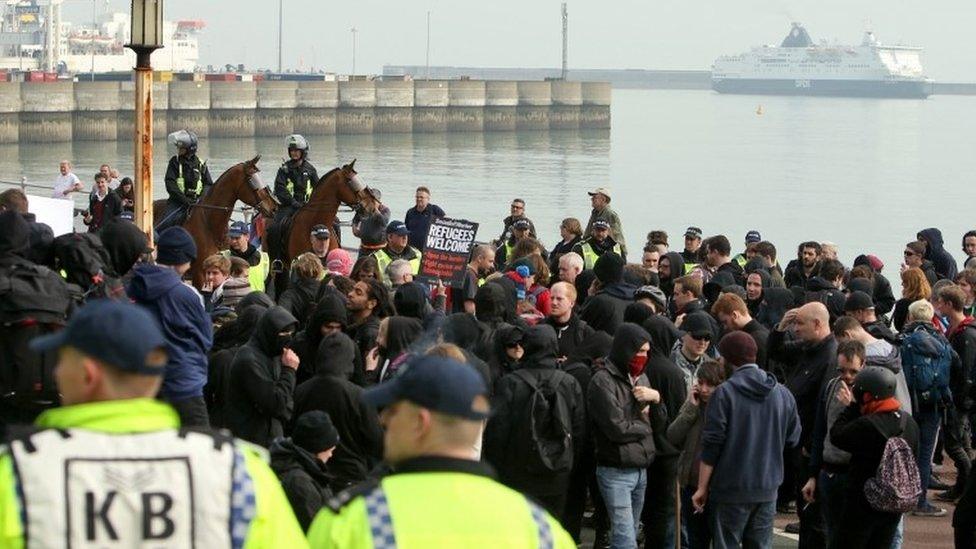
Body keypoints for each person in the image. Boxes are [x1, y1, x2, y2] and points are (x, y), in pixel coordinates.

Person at [1, 300, 306, 547]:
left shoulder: (17, 472)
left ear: (88, 375)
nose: (55, 374)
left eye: (62, 361)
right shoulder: (238, 471)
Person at [306, 355, 575, 548]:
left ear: (420, 423)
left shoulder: (351, 520)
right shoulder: (540, 528)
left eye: (393, 409)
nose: (384, 419)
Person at [693, 331, 801, 549]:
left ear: (728, 359)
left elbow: (712, 444)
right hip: (768, 487)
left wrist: (702, 487)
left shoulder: (724, 394)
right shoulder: (782, 393)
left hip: (729, 487)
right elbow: (794, 438)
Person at [484, 325, 585, 521]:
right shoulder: (569, 383)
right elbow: (579, 432)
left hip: (518, 473)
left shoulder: (510, 383)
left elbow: (497, 434)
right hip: (557, 473)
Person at [127, 227, 213, 427]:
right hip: (183, 384)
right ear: (185, 259)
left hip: (143, 384)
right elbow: (205, 339)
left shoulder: (133, 286)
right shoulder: (187, 295)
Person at [768, 302, 837, 544]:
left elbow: (824, 408)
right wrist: (780, 328)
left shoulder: (829, 357)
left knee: (814, 518)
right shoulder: (808, 348)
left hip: (809, 447)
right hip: (798, 443)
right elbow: (776, 351)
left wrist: (811, 445)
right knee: (805, 512)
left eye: (800, 324)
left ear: (817, 325)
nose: (795, 329)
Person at [588, 324, 661, 549]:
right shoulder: (602, 381)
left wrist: (657, 399)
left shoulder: (642, 378)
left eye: (647, 352)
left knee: (630, 531)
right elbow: (617, 429)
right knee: (624, 537)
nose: (643, 357)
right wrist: (644, 424)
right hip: (616, 469)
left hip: (641, 467)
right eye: (639, 351)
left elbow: (661, 423)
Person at [829, 366, 919, 548]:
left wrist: (852, 407)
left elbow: (837, 435)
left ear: (867, 396)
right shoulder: (908, 422)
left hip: (863, 504)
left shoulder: (867, 425)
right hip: (895, 502)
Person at [294, 332, 384, 491]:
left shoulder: (301, 391)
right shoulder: (358, 395)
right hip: (350, 477)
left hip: (310, 474)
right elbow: (376, 440)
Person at [802, 339, 865, 541]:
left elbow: (869, 434)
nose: (846, 376)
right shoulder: (831, 387)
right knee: (831, 533)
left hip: (855, 474)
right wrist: (813, 474)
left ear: (863, 365)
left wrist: (852, 408)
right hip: (828, 471)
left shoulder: (869, 391)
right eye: (842, 370)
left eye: (853, 371)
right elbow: (820, 431)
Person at [899, 299, 953, 517]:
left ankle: (901, 494)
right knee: (924, 454)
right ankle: (920, 502)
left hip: (909, 402)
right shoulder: (940, 339)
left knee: (905, 450)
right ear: (932, 317)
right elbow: (955, 363)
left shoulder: (903, 340)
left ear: (910, 317)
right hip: (933, 404)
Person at [667, 360, 727, 549]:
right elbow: (672, 435)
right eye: (701, 383)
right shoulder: (693, 406)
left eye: (710, 385)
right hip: (690, 482)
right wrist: (690, 408)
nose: (704, 389)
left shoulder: (726, 408)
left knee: (720, 539)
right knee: (695, 540)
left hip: (717, 486)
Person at [225, 305, 300, 447]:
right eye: (283, 333)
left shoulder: (275, 354)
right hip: (250, 441)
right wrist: (289, 371)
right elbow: (275, 403)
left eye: (291, 333)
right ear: (270, 332)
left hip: (271, 438)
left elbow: (285, 402)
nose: (288, 338)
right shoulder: (249, 359)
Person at [933, 284, 976, 502]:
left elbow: (966, 370)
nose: (938, 307)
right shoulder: (958, 330)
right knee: (963, 443)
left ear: (950, 304)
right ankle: (963, 486)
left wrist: (958, 399)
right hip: (958, 395)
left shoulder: (965, 334)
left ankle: (967, 488)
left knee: (954, 444)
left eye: (940, 303)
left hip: (960, 398)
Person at [271, 410, 339, 531]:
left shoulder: (301, 469)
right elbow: (314, 531)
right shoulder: (301, 482)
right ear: (318, 447)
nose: (330, 455)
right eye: (330, 449)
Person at [159, 129, 213, 231]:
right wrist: (184, 200)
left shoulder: (201, 164)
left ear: (190, 149)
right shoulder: (174, 162)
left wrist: (200, 199)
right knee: (164, 223)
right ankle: (155, 241)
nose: (178, 150)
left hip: (198, 202)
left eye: (181, 149)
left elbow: (208, 184)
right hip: (177, 202)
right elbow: (170, 184)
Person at [712, 292, 769, 370]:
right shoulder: (759, 334)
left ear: (735, 315)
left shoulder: (755, 339)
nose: (725, 327)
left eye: (725, 322)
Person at [273, 134, 319, 223]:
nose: (294, 153)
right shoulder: (284, 169)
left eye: (297, 150)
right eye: (292, 150)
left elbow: (318, 188)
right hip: (289, 207)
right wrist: (292, 202)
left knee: (335, 224)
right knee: (274, 228)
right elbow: (280, 189)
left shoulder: (311, 169)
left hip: (309, 207)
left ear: (303, 152)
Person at [222, 220, 270, 292]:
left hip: (256, 301)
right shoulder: (224, 257)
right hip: (233, 300)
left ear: (247, 237)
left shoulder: (263, 258)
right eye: (231, 238)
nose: (233, 241)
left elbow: (269, 284)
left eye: (237, 238)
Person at [583, 187, 627, 260]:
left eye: (594, 197)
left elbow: (617, 237)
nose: (592, 199)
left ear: (603, 200)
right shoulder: (595, 212)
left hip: (608, 252)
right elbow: (588, 233)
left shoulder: (610, 214)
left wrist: (622, 255)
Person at [374, 221, 422, 285]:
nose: (405, 238)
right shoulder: (376, 257)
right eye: (401, 235)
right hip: (389, 293)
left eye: (406, 234)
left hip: (413, 292)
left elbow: (424, 278)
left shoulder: (417, 254)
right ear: (390, 237)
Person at [453, 244, 495, 314]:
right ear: (480, 258)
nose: (492, 266)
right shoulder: (470, 275)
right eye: (490, 261)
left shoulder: (465, 272)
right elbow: (470, 308)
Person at [352, 187, 392, 256]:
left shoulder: (385, 210)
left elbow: (384, 222)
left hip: (379, 249)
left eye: (373, 200)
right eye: (369, 200)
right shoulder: (364, 208)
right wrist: (354, 227)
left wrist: (376, 211)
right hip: (364, 248)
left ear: (378, 201)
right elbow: (356, 219)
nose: (371, 202)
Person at [404, 185, 445, 250]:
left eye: (421, 197)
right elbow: (406, 230)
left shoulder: (435, 210)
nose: (419, 199)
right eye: (417, 197)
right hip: (412, 249)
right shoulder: (410, 212)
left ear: (428, 199)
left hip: (430, 249)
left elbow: (447, 225)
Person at [893, 267, 932, 332]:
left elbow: (898, 326)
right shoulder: (929, 301)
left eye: (904, 281)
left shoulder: (903, 303)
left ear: (910, 284)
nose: (902, 284)